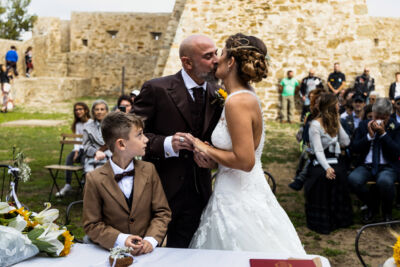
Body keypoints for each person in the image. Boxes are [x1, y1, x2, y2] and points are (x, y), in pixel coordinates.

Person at [187, 33, 305, 254]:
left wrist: (203, 146)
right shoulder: (245, 94)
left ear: (231, 62)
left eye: (221, 53)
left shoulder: (238, 101)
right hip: (234, 188)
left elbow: (245, 160)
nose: (216, 59)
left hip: (238, 199)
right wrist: (213, 161)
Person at [132, 35, 223, 248]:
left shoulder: (217, 93)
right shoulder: (157, 89)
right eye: (208, 56)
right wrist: (166, 144)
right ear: (187, 62)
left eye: (216, 53)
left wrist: (212, 157)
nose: (216, 61)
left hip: (200, 190)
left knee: (187, 251)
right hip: (160, 187)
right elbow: (131, 133)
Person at [83, 112, 171, 253]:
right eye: (139, 135)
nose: (146, 139)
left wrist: (151, 239)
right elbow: (92, 224)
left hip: (146, 253)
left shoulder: (149, 170)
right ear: (122, 144)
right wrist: (120, 239)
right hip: (110, 253)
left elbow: (162, 212)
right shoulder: (95, 179)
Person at [305, 93, 353, 234]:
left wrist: (337, 122)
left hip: (335, 157)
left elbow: (346, 142)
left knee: (341, 175)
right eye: (337, 104)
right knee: (322, 177)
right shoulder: (315, 125)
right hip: (319, 160)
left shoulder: (335, 122)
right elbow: (318, 151)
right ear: (330, 107)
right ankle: (322, 220)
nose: (339, 106)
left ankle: (339, 219)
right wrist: (327, 168)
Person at [348, 98, 400, 222]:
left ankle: (387, 212)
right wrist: (369, 136)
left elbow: (397, 150)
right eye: (377, 116)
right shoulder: (363, 125)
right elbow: (354, 147)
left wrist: (383, 134)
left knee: (385, 181)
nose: (379, 120)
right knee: (353, 179)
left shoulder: (396, 127)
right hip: (367, 165)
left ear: (388, 115)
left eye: (383, 118)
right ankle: (372, 206)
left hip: (388, 166)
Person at [289, 88, 325, 191]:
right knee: (305, 154)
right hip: (309, 143)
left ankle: (301, 178)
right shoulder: (310, 114)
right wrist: (303, 137)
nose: (312, 100)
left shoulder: (326, 117)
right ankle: (299, 174)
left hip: (321, 145)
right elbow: (305, 128)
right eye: (311, 98)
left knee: (309, 155)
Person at [56, 102, 91, 197]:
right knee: (69, 159)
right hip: (79, 149)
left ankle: (85, 184)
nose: (78, 111)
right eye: (76, 110)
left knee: (85, 159)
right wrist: (76, 151)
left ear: (86, 110)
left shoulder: (91, 123)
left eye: (80, 109)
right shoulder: (78, 124)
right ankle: (67, 185)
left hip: (88, 149)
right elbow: (77, 139)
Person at [83, 100, 112, 173]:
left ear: (107, 111)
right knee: (90, 173)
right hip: (92, 157)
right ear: (93, 112)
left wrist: (104, 154)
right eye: (97, 109)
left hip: (109, 157)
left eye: (102, 109)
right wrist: (96, 152)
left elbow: (115, 144)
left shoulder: (113, 126)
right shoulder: (87, 127)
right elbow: (86, 146)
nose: (99, 112)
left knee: (101, 173)